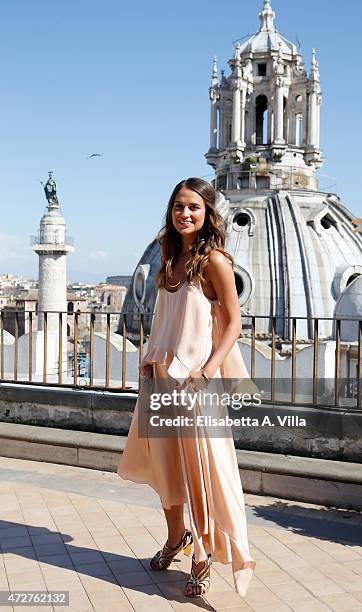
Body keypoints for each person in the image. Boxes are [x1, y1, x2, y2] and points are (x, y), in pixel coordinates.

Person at [117, 177, 256, 598]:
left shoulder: (215, 261)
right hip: (160, 377)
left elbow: (233, 322)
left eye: (193, 207)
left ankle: (203, 556)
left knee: (201, 471)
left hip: (196, 384)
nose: (184, 214)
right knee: (166, 467)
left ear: (207, 213)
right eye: (178, 206)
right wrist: (149, 356)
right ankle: (178, 538)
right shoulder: (168, 254)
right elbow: (165, 315)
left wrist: (209, 370)